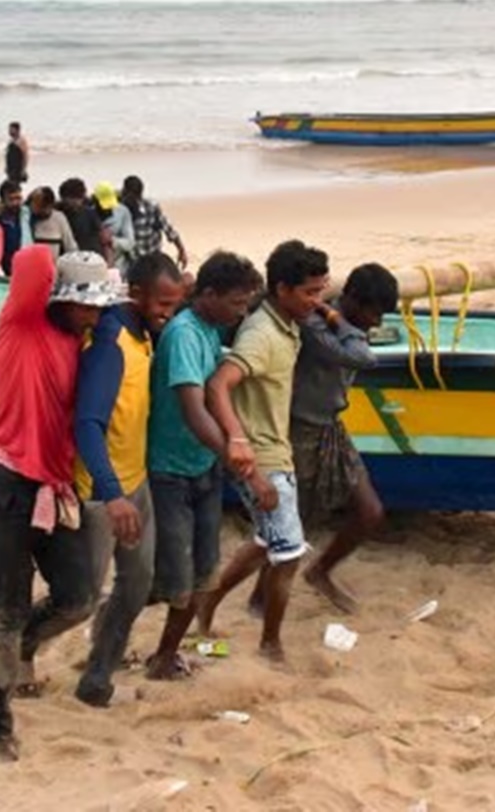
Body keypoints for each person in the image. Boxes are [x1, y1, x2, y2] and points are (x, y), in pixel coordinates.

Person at [0, 247, 122, 761]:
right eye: (85, 304)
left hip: (55, 487)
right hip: (6, 482)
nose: (94, 314)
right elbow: (30, 258)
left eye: (100, 305)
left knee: (78, 596)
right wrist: (70, 251)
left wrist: (104, 284)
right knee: (7, 603)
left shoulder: (82, 342)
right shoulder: (21, 323)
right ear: (59, 297)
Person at [196, 240, 330, 662]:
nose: (317, 301)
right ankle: (270, 644)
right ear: (282, 289)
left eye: (321, 291)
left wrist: (325, 310)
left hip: (275, 452)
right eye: (309, 292)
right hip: (263, 458)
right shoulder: (262, 334)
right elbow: (219, 383)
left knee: (264, 540)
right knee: (288, 553)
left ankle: (206, 603)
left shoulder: (285, 323)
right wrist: (238, 441)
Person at [73, 252, 186, 707]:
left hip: (137, 483)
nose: (168, 313)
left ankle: (97, 679)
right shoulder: (110, 344)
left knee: (137, 585)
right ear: (134, 294)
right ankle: (12, 652)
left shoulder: (145, 337)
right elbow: (87, 424)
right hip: (103, 495)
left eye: (175, 305)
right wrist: (112, 494)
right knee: (79, 598)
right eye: (162, 304)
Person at [142, 251, 262, 682]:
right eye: (236, 303)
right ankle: (112, 635)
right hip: (170, 469)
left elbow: (217, 397)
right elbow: (193, 408)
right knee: (173, 580)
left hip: (202, 468)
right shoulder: (185, 335)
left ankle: (164, 656)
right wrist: (235, 455)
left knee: (202, 571)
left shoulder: (211, 330)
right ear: (208, 295)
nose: (241, 311)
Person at [282, 262, 400, 613]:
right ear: (350, 300)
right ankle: (261, 596)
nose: (377, 323)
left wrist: (342, 322)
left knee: (370, 511)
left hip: (332, 425)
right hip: (300, 428)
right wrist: (337, 321)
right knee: (293, 525)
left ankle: (320, 571)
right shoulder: (316, 325)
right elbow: (363, 357)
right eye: (373, 314)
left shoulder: (338, 318)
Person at [119, 176, 190, 270]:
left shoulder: (151, 207)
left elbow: (169, 230)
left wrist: (181, 251)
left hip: (152, 258)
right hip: (130, 261)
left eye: (125, 192)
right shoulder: (120, 209)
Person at [23, 186, 79, 260]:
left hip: (53, 267)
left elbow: (70, 246)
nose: (41, 211)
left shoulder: (59, 218)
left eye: (43, 208)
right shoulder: (26, 218)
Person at [57, 178, 105, 257]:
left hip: (90, 257)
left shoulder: (90, 213)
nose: (75, 202)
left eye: (78, 198)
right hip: (66, 259)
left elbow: (103, 238)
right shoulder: (57, 213)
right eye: (71, 199)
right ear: (63, 198)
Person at [94, 182, 134, 275]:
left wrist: (112, 240)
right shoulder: (89, 214)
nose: (108, 209)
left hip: (120, 266)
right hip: (97, 266)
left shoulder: (123, 212)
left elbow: (130, 243)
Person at [0, 180, 26, 275]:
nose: (16, 203)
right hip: (9, 267)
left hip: (29, 262)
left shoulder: (27, 216)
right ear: (3, 201)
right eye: (11, 199)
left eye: (18, 198)